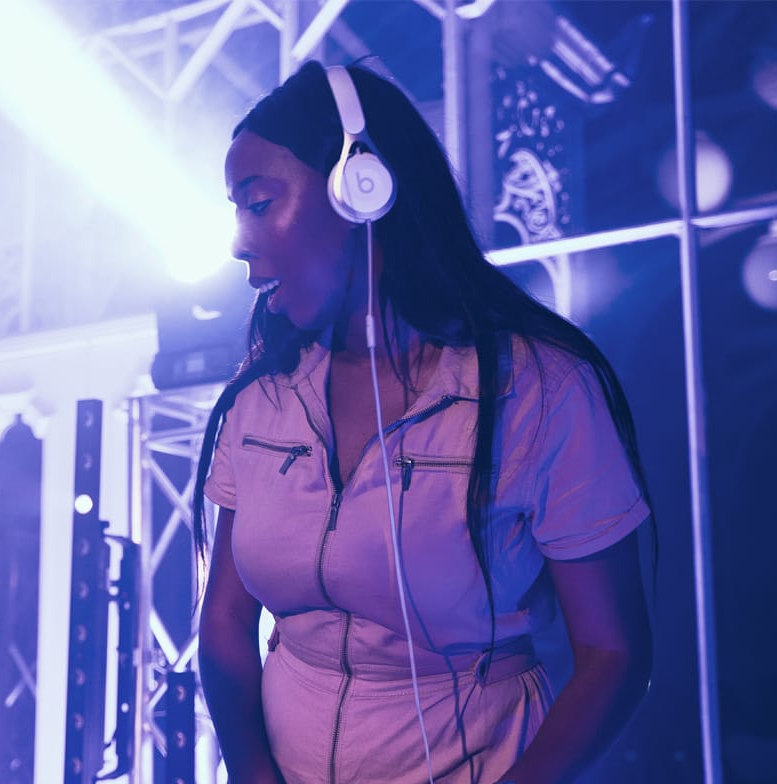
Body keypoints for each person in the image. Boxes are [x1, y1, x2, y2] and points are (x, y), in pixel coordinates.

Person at [192, 60, 653, 784]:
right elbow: (222, 619)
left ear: (360, 189)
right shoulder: (263, 396)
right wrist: (252, 772)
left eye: (258, 202)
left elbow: (614, 653)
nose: (239, 241)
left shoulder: (540, 391)